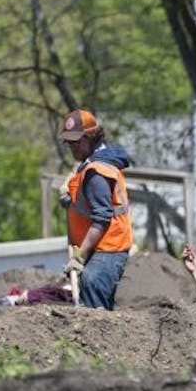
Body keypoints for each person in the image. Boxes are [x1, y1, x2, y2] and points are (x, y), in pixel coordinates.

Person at [58, 108, 134, 310]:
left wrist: (79, 256)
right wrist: (68, 200)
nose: (72, 147)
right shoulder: (90, 164)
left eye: (76, 142)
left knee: (91, 282)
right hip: (101, 245)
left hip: (108, 246)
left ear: (89, 138)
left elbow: (101, 218)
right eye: (69, 143)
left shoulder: (96, 172)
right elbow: (86, 203)